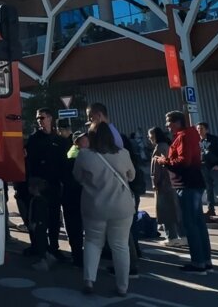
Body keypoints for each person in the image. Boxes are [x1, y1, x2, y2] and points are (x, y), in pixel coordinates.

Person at [74, 122, 136, 297]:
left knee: (93, 242)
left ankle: (89, 280)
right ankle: (123, 286)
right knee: (120, 246)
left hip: (94, 207)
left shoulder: (84, 155)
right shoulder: (124, 154)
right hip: (121, 208)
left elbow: (77, 176)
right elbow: (131, 176)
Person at [87, 102, 143, 276]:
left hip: (119, 190)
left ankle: (130, 267)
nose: (89, 121)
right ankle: (130, 263)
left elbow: (122, 167)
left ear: (98, 116)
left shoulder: (109, 136)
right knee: (123, 233)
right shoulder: (115, 132)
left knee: (122, 236)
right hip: (123, 189)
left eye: (90, 117)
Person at [156, 111, 212, 275]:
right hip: (194, 182)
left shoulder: (183, 136)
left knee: (190, 223)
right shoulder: (191, 134)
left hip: (186, 183)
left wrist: (164, 161)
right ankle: (205, 260)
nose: (167, 125)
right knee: (198, 222)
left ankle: (198, 262)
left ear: (177, 122)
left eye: (169, 122)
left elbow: (183, 161)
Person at [24, 108, 68, 270]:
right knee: (41, 221)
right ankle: (42, 252)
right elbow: (29, 162)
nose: (39, 121)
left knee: (55, 218)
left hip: (55, 184)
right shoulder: (34, 139)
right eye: (37, 118)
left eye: (42, 118)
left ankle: (54, 248)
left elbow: (65, 160)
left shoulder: (58, 139)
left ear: (50, 118)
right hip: (40, 186)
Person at [149, 127, 186, 247]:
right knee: (177, 211)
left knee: (166, 212)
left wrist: (155, 183)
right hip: (172, 183)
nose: (149, 139)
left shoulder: (159, 148)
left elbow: (156, 170)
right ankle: (183, 236)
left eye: (150, 136)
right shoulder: (169, 145)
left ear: (154, 136)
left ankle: (172, 237)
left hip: (163, 185)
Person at [60, 129, 86, 268]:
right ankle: (78, 257)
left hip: (77, 197)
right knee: (75, 228)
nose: (87, 141)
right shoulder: (73, 155)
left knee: (76, 229)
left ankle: (78, 256)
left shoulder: (80, 153)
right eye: (83, 139)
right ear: (76, 142)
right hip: (73, 197)